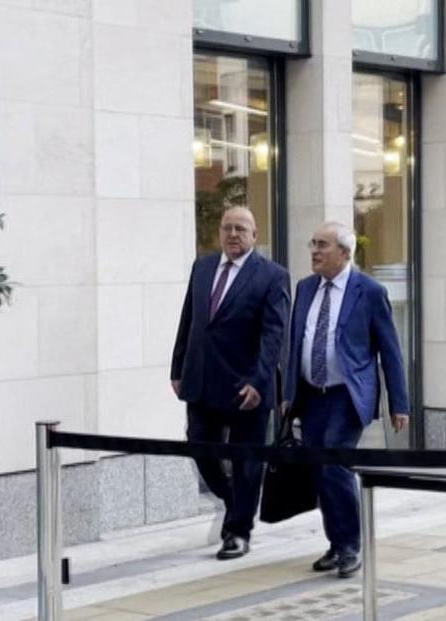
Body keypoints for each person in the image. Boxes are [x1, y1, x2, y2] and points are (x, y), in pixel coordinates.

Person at [283, 221, 409, 579]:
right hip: (311, 395)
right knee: (319, 470)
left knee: (335, 465)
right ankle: (336, 543)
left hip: (347, 396)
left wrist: (399, 403)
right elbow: (297, 343)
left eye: (323, 245)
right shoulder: (306, 287)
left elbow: (390, 350)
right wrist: (288, 394)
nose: (315, 251)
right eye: (313, 243)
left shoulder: (368, 291)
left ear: (345, 252)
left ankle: (351, 545)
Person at [171, 206, 290, 560]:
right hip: (202, 380)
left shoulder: (272, 276)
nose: (233, 234)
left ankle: (238, 531)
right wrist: (177, 368)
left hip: (246, 387)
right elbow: (188, 320)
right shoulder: (203, 267)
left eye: (240, 228)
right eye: (227, 228)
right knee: (200, 447)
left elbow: (274, 335)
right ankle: (233, 500)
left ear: (254, 235)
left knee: (246, 462)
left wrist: (258, 380)